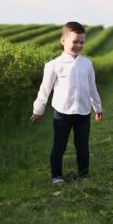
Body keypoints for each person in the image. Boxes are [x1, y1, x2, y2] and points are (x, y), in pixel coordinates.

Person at [31, 22, 103, 184]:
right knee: (60, 146)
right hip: (62, 113)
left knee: (82, 146)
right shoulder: (54, 65)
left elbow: (92, 88)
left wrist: (97, 107)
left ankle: (84, 174)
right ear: (63, 40)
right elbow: (45, 90)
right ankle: (57, 176)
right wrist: (38, 110)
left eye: (81, 42)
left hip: (83, 113)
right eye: (75, 42)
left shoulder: (87, 64)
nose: (78, 45)